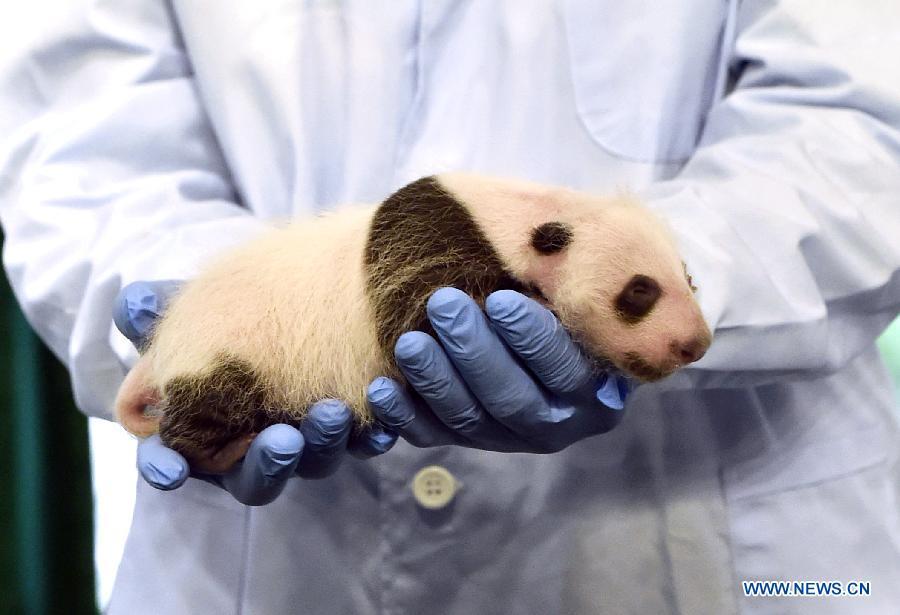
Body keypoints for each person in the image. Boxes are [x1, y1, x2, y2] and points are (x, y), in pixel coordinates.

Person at [1, 1, 899, 613]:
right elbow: (75, 149)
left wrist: (687, 263)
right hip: (268, 566)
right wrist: (204, 309)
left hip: (731, 541)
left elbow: (867, 116)